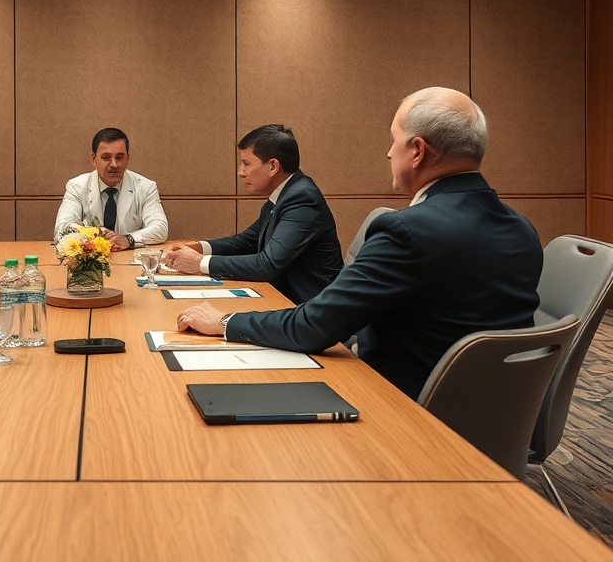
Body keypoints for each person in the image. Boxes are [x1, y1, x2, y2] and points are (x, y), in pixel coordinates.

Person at [176, 87, 543, 400]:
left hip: (403, 412)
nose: (389, 153)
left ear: (417, 150)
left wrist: (223, 321)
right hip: (499, 413)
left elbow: (313, 327)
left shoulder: (406, 231)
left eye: (394, 140)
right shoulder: (523, 229)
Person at [164, 125, 343, 304]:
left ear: (273, 166)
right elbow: (246, 241)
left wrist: (200, 263)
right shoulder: (286, 193)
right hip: (285, 300)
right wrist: (197, 247)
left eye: (246, 164)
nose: (240, 172)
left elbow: (267, 265)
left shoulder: (302, 199)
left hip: (313, 308)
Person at [54, 127, 168, 251]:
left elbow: (160, 228)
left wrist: (128, 239)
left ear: (128, 159)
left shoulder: (146, 187)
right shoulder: (77, 186)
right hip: (91, 258)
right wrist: (95, 234)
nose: (114, 164)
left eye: (119, 157)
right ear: (93, 159)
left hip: (130, 257)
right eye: (106, 157)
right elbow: (62, 228)